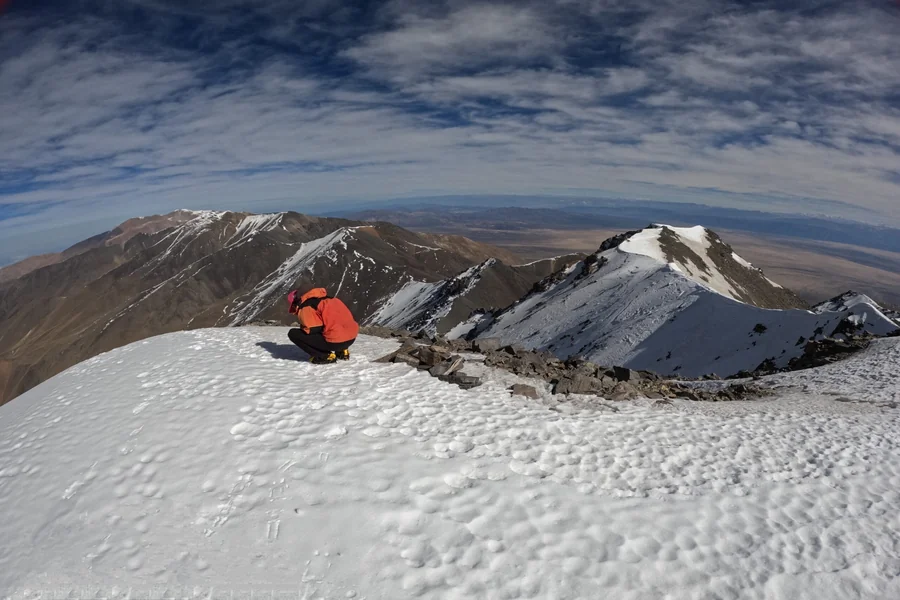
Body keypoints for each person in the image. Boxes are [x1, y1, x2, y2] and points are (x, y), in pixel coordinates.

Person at [287, 288, 359, 364]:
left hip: (336, 342)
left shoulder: (307, 306)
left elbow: (313, 329)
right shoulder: (332, 299)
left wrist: (303, 327)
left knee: (293, 334)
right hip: (351, 339)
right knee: (334, 327)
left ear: (296, 303)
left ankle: (324, 356)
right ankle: (342, 351)